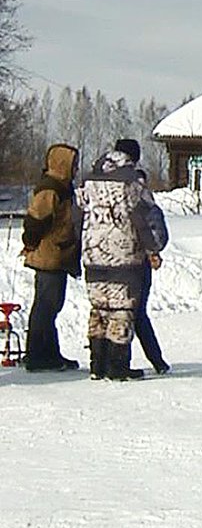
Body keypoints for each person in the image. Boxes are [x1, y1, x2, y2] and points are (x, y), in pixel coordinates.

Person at [77, 139, 166, 380]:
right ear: (133, 158)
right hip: (124, 256)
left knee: (100, 308)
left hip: (93, 254)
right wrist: (154, 247)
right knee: (122, 310)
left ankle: (97, 365)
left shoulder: (88, 180)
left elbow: (78, 217)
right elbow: (145, 220)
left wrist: (80, 249)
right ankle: (118, 366)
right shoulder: (132, 183)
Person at [21, 143, 83, 372]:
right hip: (50, 255)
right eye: (74, 164)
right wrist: (30, 243)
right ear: (62, 164)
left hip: (59, 254)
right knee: (46, 307)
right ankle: (37, 355)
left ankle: (49, 353)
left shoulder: (63, 187)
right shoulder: (51, 189)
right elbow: (36, 220)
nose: (76, 168)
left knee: (51, 306)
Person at [133, 168, 170, 375]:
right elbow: (158, 237)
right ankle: (156, 360)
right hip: (138, 267)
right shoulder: (147, 205)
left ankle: (104, 362)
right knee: (138, 314)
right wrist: (151, 251)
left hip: (111, 266)